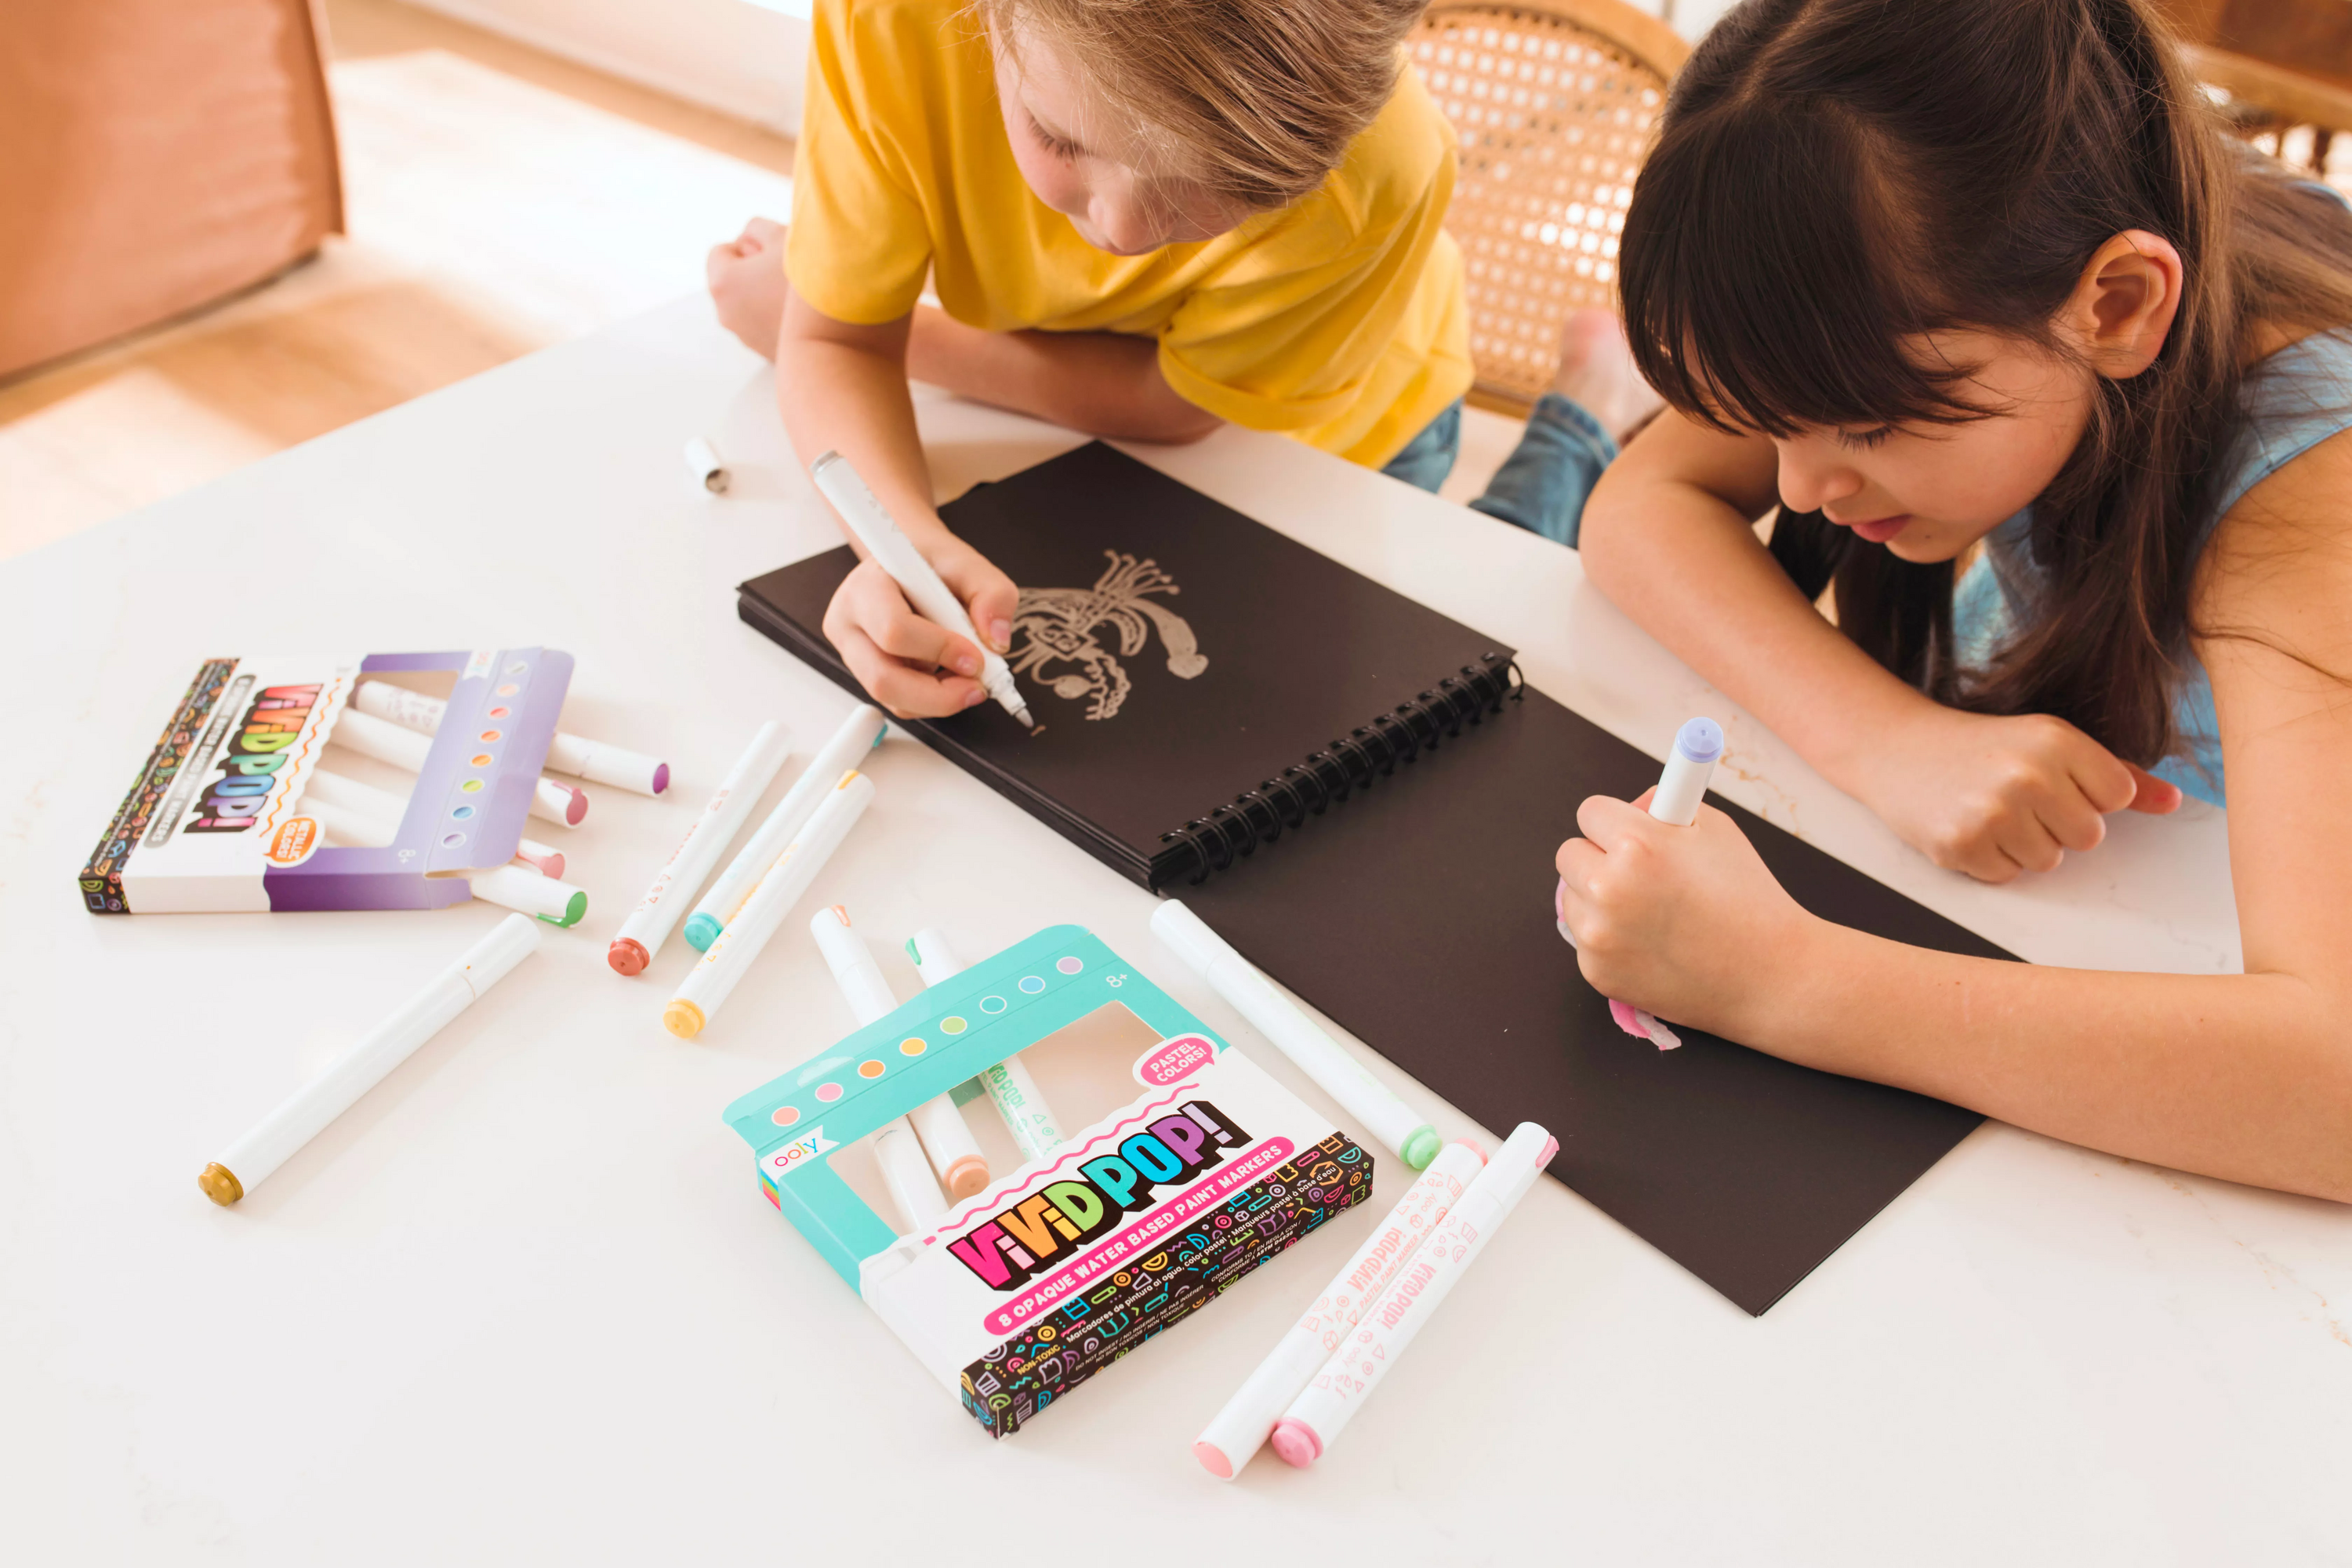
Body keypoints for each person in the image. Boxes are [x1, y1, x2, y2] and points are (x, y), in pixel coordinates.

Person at [1559, 0, 2352, 1201]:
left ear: (2122, 306)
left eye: (1869, 424)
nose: (1800, 488)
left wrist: (1784, 980)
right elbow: (1639, 503)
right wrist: (1891, 743)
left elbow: (2333, 1088)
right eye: (1767, 422)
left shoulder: (2309, 494)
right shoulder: (1995, 241)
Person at [705, 0, 1658, 720]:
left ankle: (1585, 409)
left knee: (1453, 631)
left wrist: (849, 322)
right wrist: (902, 548)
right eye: (1060, 136)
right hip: (1091, 378)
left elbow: (1176, 407)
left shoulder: (1383, 174)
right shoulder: (889, 23)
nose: (1120, 232)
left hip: (1335, 419)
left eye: (1224, 190)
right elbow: (836, 343)